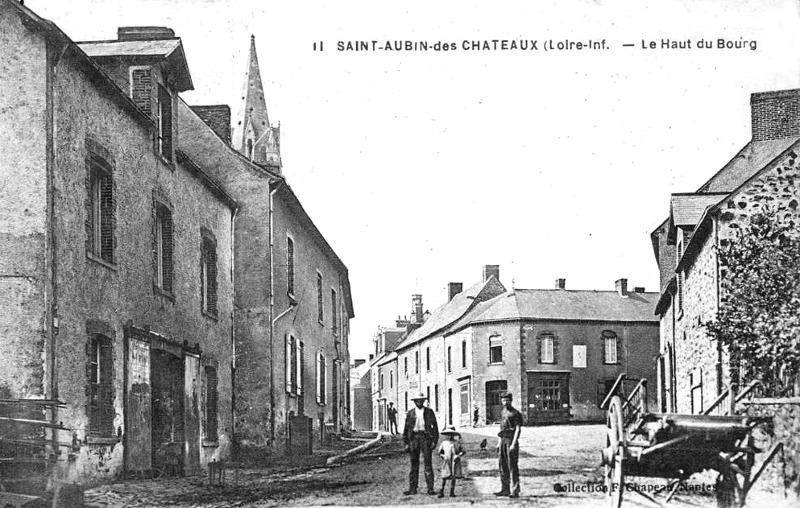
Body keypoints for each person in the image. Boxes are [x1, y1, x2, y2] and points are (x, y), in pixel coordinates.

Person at [402, 392, 439, 495]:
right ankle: (413, 489)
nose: (419, 402)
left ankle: (430, 489)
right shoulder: (410, 413)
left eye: (421, 400)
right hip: (414, 439)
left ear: (424, 401)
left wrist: (434, 441)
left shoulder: (429, 412)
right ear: (414, 402)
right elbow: (406, 429)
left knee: (428, 464)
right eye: (417, 401)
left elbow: (435, 428)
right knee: (414, 465)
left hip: (425, 438)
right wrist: (406, 442)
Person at [495, 391, 522, 498]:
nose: (505, 402)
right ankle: (505, 489)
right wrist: (498, 442)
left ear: (511, 400)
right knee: (502, 465)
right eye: (503, 400)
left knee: (512, 466)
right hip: (503, 440)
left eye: (507, 400)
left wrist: (514, 444)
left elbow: (518, 429)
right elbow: (501, 428)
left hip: (511, 440)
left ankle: (515, 491)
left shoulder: (515, 413)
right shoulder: (503, 412)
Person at [437, 425, 465, 498]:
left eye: (451, 434)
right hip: (446, 461)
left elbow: (463, 451)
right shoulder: (444, 443)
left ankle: (452, 492)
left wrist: (458, 455)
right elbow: (440, 452)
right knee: (444, 476)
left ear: (453, 435)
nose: (449, 436)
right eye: (448, 434)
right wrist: (443, 456)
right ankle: (441, 491)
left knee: (453, 476)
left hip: (454, 461)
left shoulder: (457, 442)